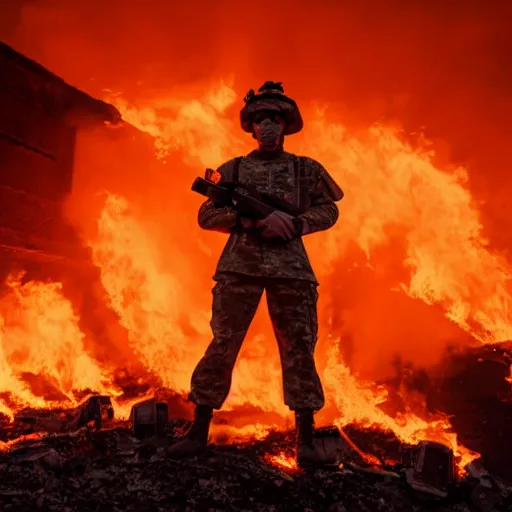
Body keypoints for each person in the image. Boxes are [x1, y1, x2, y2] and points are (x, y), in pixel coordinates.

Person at [168, 81, 343, 467]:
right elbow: (207, 215)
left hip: (292, 271)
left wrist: (298, 226)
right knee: (223, 344)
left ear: (286, 126)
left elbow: (330, 210)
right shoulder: (234, 169)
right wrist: (247, 222)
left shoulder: (306, 170)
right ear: (250, 126)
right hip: (239, 267)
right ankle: (198, 431)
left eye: (275, 119)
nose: (267, 126)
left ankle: (306, 440)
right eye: (260, 119)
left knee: (299, 350)